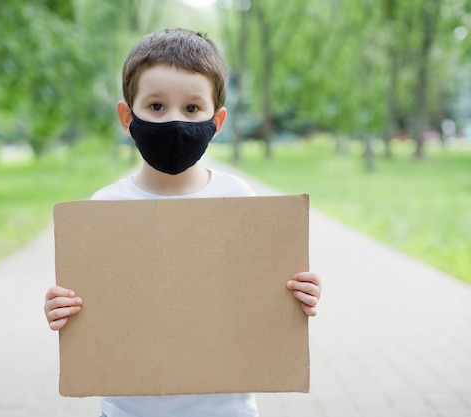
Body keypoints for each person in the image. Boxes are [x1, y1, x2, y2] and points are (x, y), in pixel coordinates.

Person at [44, 28, 322, 417]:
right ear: (128, 116)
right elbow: (91, 312)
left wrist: (297, 296)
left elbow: (259, 298)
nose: (174, 121)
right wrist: (61, 309)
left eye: (192, 109)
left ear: (217, 121)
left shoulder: (239, 201)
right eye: (156, 106)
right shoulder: (104, 209)